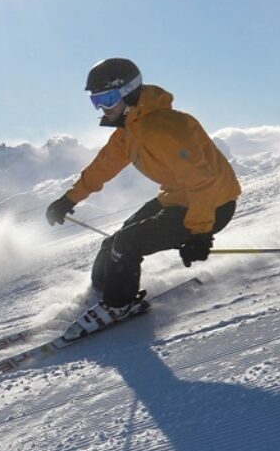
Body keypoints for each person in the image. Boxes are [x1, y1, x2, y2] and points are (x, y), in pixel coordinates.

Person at [45, 57, 241, 314]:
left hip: (213, 205)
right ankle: (100, 295)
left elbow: (201, 181)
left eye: (108, 98)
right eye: (96, 101)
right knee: (113, 243)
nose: (102, 108)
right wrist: (69, 199)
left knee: (127, 243)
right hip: (177, 199)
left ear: (128, 93)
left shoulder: (167, 128)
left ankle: (117, 305)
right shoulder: (129, 131)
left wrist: (200, 233)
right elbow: (102, 167)